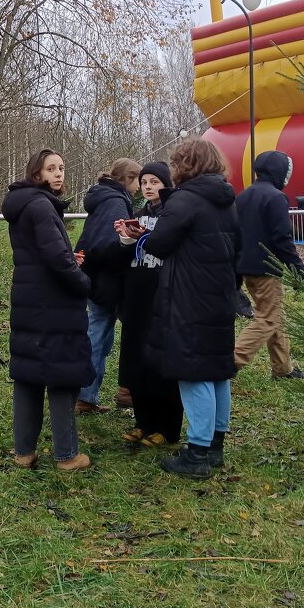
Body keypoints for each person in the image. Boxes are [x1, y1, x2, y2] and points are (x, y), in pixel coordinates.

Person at [117, 139, 240, 478]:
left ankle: (197, 453)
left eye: (176, 163)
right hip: (220, 295)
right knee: (218, 372)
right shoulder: (227, 199)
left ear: (187, 165)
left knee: (193, 372)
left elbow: (160, 242)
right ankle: (215, 446)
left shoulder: (186, 199)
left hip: (189, 297)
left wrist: (138, 235)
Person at [2, 149, 93, 472]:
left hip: (29, 300)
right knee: (61, 375)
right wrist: (82, 280)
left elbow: (42, 251)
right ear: (37, 174)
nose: (58, 173)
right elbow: (56, 259)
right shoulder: (41, 205)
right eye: (51, 169)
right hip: (53, 303)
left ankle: (23, 452)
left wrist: (67, 255)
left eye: (61, 168)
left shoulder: (25, 203)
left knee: (28, 376)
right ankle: (67, 456)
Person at [114, 161, 183, 448]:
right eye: (144, 182)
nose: (148, 187)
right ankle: (143, 422)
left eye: (154, 182)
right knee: (136, 361)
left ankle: (167, 428)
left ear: (166, 184)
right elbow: (124, 257)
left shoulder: (173, 215)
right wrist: (125, 238)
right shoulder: (138, 215)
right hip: (137, 298)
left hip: (164, 298)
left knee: (161, 364)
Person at [73, 157, 140, 413]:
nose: (139, 188)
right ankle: (84, 395)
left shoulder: (103, 197)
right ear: (128, 179)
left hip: (94, 276)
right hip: (105, 280)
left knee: (101, 334)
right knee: (98, 336)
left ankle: (87, 395)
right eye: (138, 181)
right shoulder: (116, 202)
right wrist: (128, 241)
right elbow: (106, 244)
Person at [233, 150, 304, 379]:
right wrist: (298, 268)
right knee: (267, 319)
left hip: (245, 266)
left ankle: (282, 368)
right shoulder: (276, 197)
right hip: (266, 268)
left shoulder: (244, 195)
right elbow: (282, 238)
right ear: (280, 172)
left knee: (276, 315)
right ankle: (230, 362)